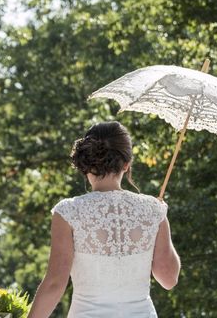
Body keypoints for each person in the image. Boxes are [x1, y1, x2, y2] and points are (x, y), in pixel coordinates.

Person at [28, 121, 180, 318]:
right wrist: (161, 216)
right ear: (127, 164)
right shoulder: (152, 211)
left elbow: (55, 283)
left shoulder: (68, 212)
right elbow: (168, 278)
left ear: (86, 162)